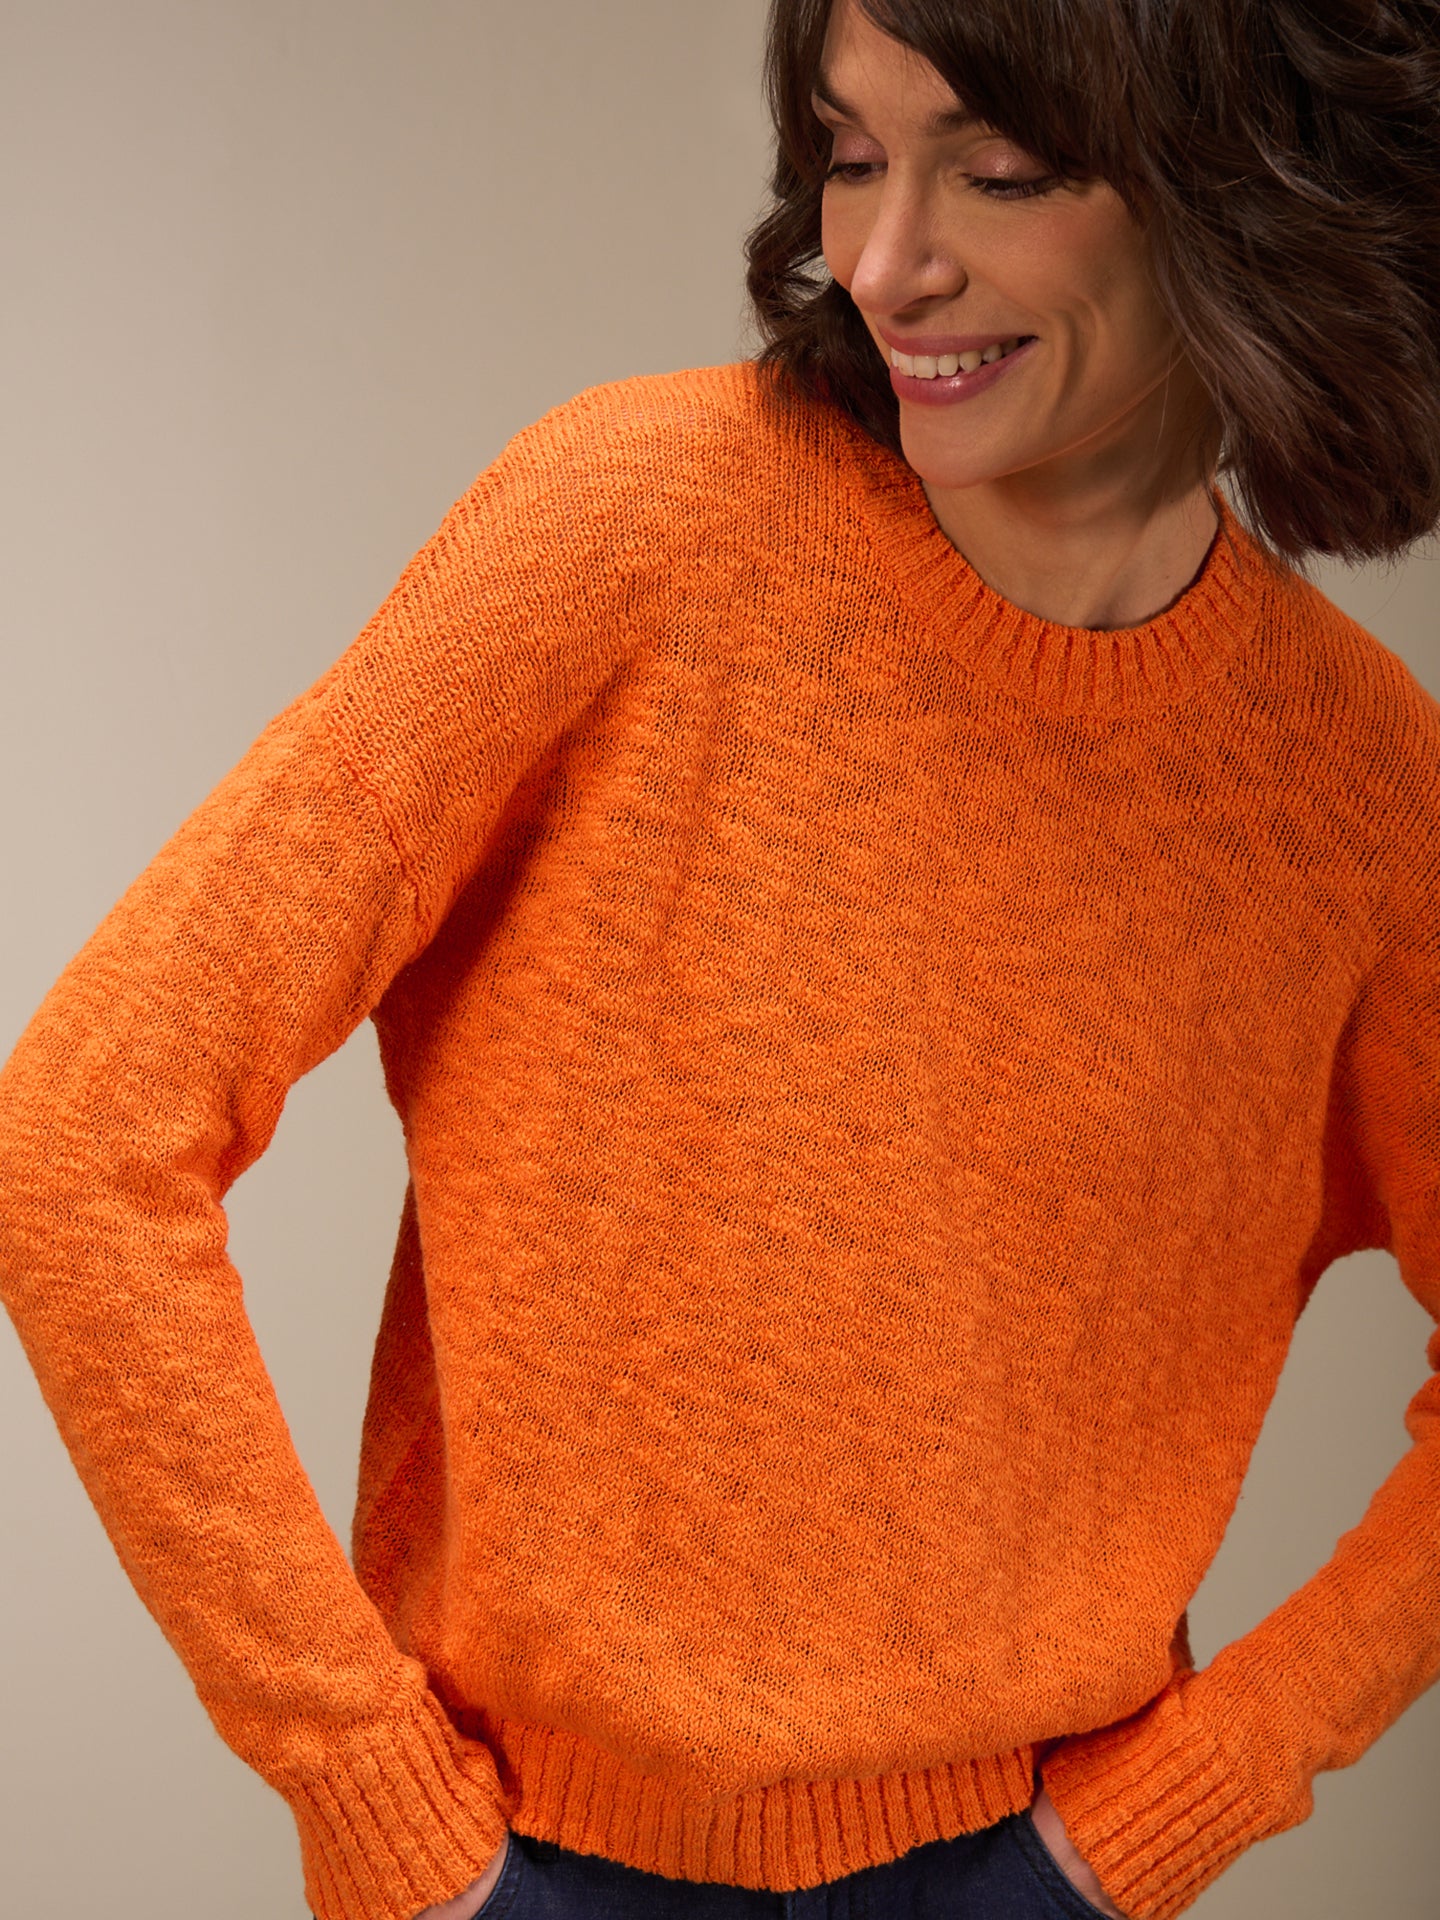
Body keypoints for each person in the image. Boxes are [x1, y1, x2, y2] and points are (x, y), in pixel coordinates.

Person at [2, 0, 1438, 1916]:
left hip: (1018, 1871)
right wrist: (369, 1792)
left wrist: (1207, 1784)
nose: (885, 264)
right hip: (528, 1864)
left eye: (1000, 171)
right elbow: (84, 1133)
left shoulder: (1352, 791)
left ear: (1246, 190)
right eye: (852, 155)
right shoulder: (631, 530)